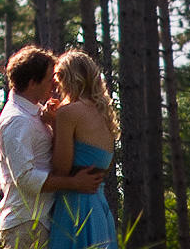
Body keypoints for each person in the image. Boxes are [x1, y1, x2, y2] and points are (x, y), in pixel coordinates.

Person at [0, 45, 107, 249]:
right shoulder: (16, 120)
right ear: (32, 83)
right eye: (49, 79)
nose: (54, 85)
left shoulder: (36, 112)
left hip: (42, 219)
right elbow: (25, 178)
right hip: (26, 223)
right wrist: (74, 183)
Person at [42, 50, 121, 249]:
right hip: (99, 205)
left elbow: (61, 168)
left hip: (75, 205)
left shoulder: (68, 113)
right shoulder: (104, 114)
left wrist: (53, 126)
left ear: (65, 79)